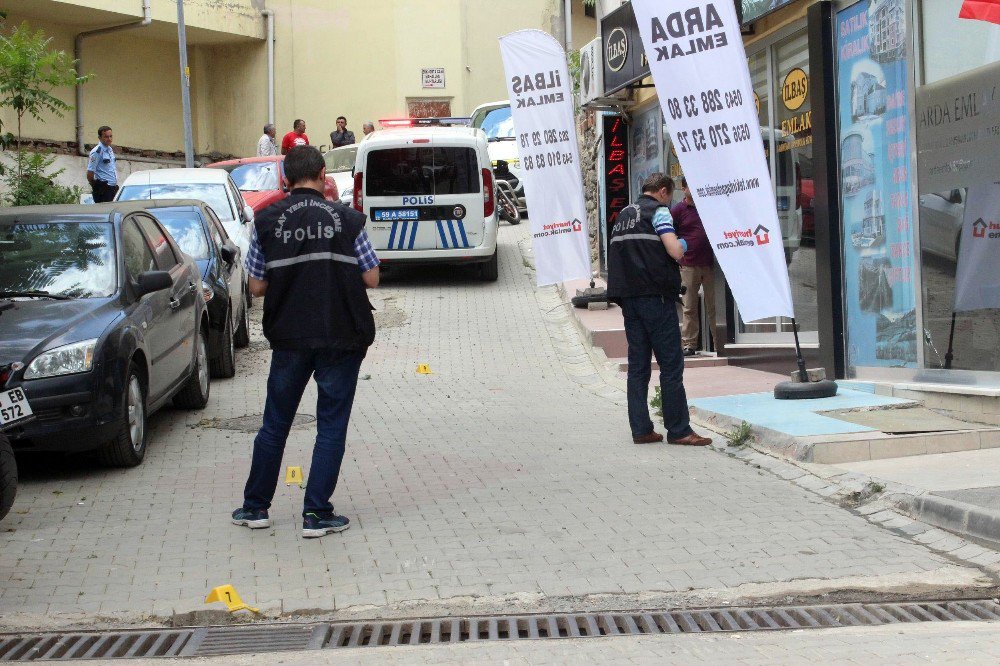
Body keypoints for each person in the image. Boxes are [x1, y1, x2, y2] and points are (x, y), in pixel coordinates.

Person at [232, 145, 380, 538]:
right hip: (342, 336)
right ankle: (316, 515)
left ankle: (255, 508)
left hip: (290, 338)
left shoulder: (264, 221)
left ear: (285, 180)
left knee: (274, 424)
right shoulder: (348, 220)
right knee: (331, 426)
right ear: (322, 175)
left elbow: (257, 286)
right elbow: (371, 278)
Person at [607, 173, 712, 447]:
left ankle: (641, 429)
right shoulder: (660, 212)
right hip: (656, 298)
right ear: (663, 191)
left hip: (629, 301)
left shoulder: (623, 215)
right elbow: (675, 251)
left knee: (638, 366)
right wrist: (688, 242)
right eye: (671, 195)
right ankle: (679, 430)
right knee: (671, 365)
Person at [672, 176, 716, 357]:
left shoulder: (708, 206)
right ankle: (689, 345)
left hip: (709, 264)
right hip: (688, 265)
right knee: (689, 307)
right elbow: (670, 235)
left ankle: (719, 342)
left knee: (714, 307)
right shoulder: (678, 210)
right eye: (691, 186)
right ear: (684, 189)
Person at [87, 126, 118, 202]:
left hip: (113, 188)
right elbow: (90, 173)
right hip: (104, 190)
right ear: (99, 138)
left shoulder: (110, 150)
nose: (109, 139)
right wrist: (97, 187)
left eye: (111, 136)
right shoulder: (97, 152)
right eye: (106, 137)